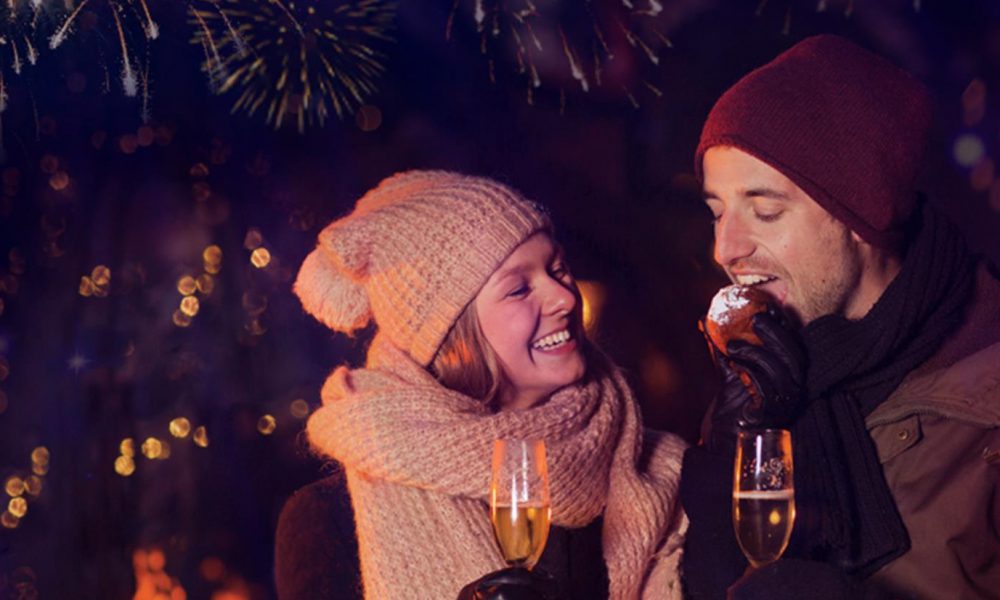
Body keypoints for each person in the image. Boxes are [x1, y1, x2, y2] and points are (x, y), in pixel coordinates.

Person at [679, 34, 1000, 599]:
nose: (726, 249)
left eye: (766, 210)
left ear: (860, 215)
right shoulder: (763, 385)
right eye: (717, 212)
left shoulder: (985, 407)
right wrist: (731, 457)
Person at [277, 170, 688, 599]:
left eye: (558, 268)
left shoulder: (662, 475)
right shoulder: (328, 518)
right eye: (518, 290)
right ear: (451, 336)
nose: (564, 298)